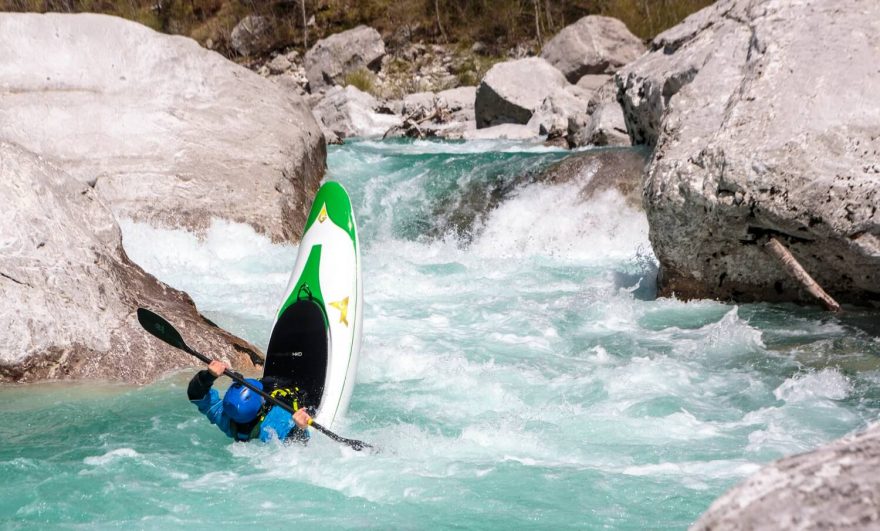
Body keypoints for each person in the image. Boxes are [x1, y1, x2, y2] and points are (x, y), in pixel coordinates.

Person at [187, 360, 313, 442]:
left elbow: (195, 395)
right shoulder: (274, 424)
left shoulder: (223, 416)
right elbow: (299, 444)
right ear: (259, 409)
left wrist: (209, 376)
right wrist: (300, 427)